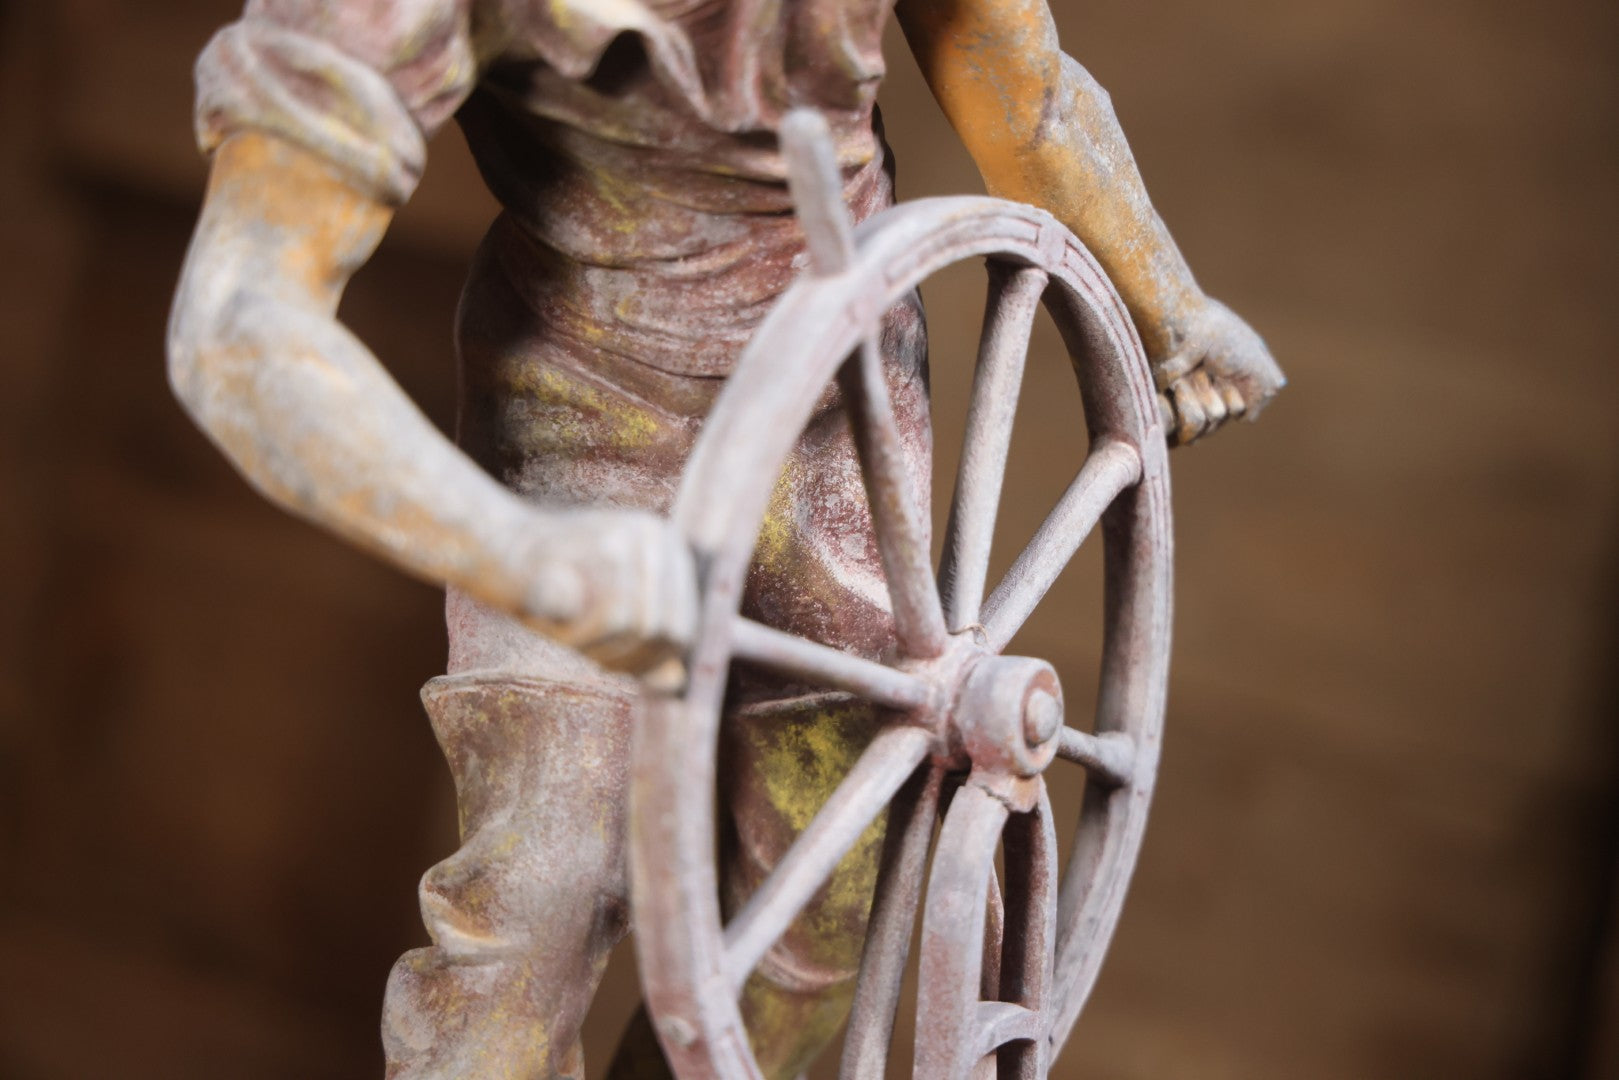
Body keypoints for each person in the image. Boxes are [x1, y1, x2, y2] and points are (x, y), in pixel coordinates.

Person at [167, 0, 1284, 1076]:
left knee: (834, 911)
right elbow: (238, 321)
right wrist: (525, 558)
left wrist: (1169, 312)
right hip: (581, 417)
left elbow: (1024, 96)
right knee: (531, 904)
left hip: (832, 408)